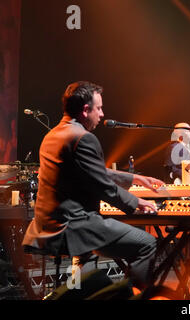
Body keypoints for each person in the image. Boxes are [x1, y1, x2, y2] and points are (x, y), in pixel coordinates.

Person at [22, 81, 165, 291]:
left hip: (49, 226)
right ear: (85, 110)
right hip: (74, 226)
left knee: (86, 264)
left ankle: (76, 291)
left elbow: (90, 172)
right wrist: (137, 202)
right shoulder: (84, 138)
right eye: (98, 108)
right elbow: (102, 185)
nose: (102, 114)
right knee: (147, 244)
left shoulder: (52, 136)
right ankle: (135, 296)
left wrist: (134, 179)